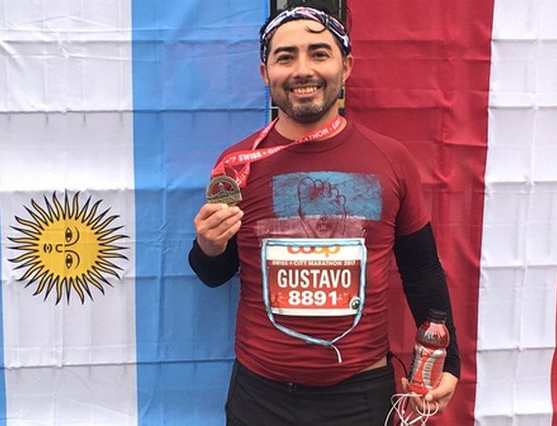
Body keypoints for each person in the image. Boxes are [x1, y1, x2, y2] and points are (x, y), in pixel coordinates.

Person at [189, 1, 460, 424]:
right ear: (265, 73)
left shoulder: (392, 160)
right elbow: (214, 274)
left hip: (360, 397)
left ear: (346, 66)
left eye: (319, 53)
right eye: (285, 57)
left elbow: (421, 269)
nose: (303, 70)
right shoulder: (237, 164)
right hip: (259, 397)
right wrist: (208, 246)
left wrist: (450, 361)